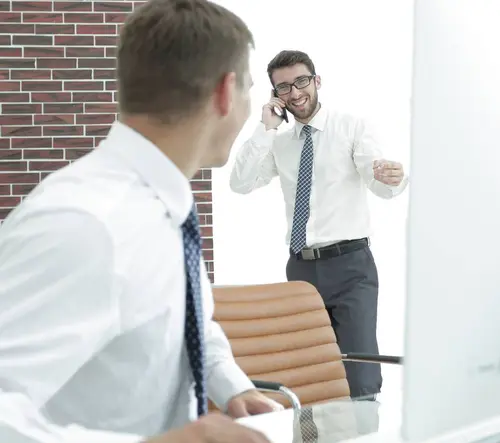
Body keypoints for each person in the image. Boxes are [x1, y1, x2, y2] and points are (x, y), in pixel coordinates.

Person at [0, 1, 279, 442]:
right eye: (249, 89)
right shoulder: (85, 224)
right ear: (226, 93)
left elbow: (187, 320)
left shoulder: (169, 205)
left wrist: (232, 385)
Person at [229, 50, 408, 399]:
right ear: (275, 96)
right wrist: (265, 128)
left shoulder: (351, 127)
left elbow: (381, 184)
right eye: (283, 88)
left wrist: (393, 177)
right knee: (307, 374)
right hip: (301, 269)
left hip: (350, 267)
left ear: (317, 81)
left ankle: (361, 436)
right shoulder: (279, 142)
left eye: (301, 82)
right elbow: (241, 183)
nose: (295, 93)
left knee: (359, 375)